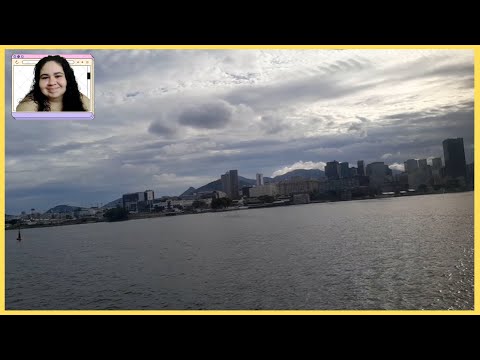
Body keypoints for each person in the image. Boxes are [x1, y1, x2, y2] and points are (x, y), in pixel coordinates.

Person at [16, 55, 90, 112]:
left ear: (67, 78)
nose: (51, 82)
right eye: (45, 77)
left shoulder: (83, 101)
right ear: (38, 81)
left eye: (58, 76)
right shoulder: (26, 108)